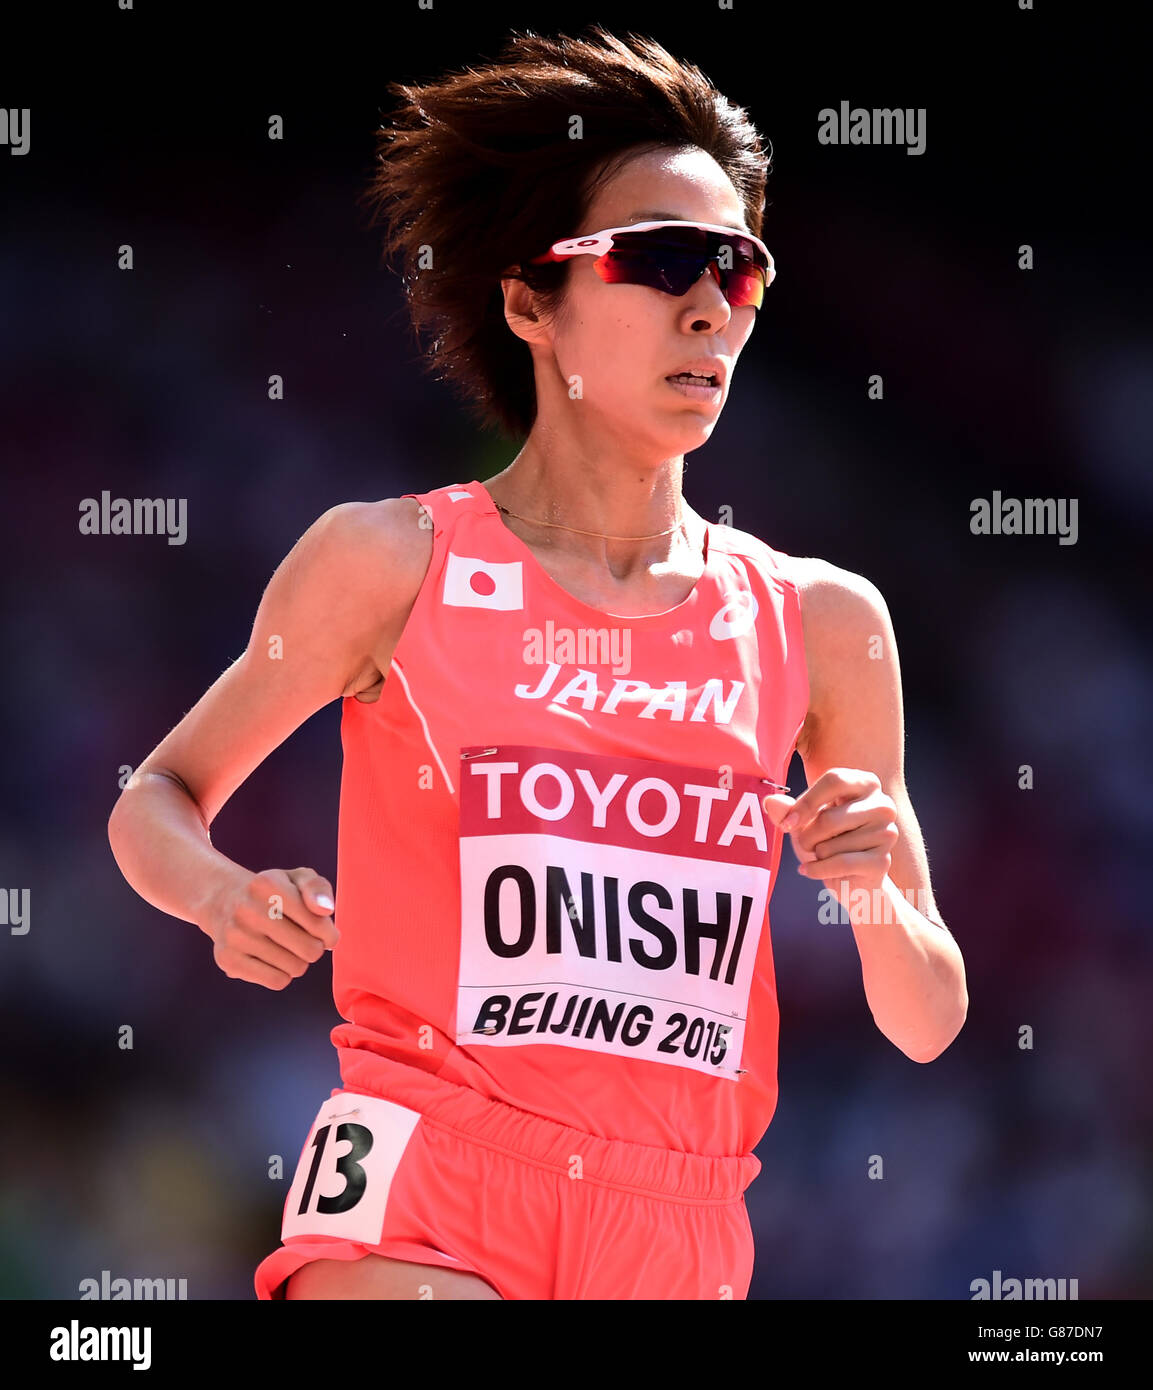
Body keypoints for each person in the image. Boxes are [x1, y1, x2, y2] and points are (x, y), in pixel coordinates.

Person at [107, 25, 967, 1301]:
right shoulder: (390, 561)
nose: (706, 304)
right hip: (425, 1182)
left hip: (678, 1226)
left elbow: (927, 1015)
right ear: (528, 301)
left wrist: (877, 888)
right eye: (662, 258)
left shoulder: (823, 621)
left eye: (739, 269)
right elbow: (155, 798)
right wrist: (221, 899)